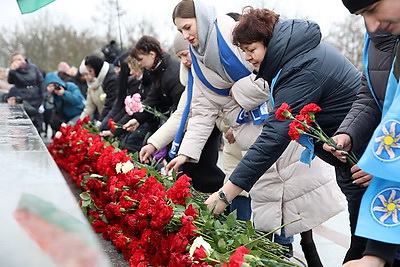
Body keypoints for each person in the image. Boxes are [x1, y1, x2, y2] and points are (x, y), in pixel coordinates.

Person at [166, 1, 346, 265]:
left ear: (202, 18)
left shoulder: (234, 36)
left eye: (187, 26)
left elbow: (269, 81)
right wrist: (185, 153)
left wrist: (237, 93)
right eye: (180, 30)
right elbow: (203, 108)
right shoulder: (200, 57)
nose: (185, 35)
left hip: (279, 124)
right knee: (273, 215)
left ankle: (304, 253)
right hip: (251, 137)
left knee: (298, 208)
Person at [322, 0, 400, 266]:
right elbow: (373, 98)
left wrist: (384, 164)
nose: (372, 23)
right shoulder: (379, 33)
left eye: (373, 9)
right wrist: (348, 133)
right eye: (362, 15)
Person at [139, 32, 226, 194]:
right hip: (200, 129)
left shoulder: (212, 73)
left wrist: (229, 128)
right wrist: (154, 144)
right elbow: (181, 115)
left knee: (207, 175)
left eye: (186, 54)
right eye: (180, 57)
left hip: (214, 129)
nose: (184, 61)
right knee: (193, 175)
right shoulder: (191, 81)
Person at [122, 35, 185, 153]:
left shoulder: (172, 72)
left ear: (152, 54)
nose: (139, 64)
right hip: (176, 124)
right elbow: (153, 99)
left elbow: (179, 109)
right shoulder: (157, 71)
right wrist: (137, 120)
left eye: (140, 59)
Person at [7, 52, 45, 133]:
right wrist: (12, 71)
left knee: (38, 119)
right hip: (22, 96)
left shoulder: (33, 67)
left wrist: (43, 96)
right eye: (17, 60)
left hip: (35, 94)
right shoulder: (14, 71)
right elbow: (10, 81)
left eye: (21, 59)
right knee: (25, 121)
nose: (20, 61)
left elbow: (40, 81)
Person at [79, 55, 118, 124]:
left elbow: (110, 103)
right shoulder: (91, 87)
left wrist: (101, 121)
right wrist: (79, 122)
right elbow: (89, 107)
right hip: (105, 116)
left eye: (88, 73)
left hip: (112, 116)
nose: (86, 77)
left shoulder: (107, 80)